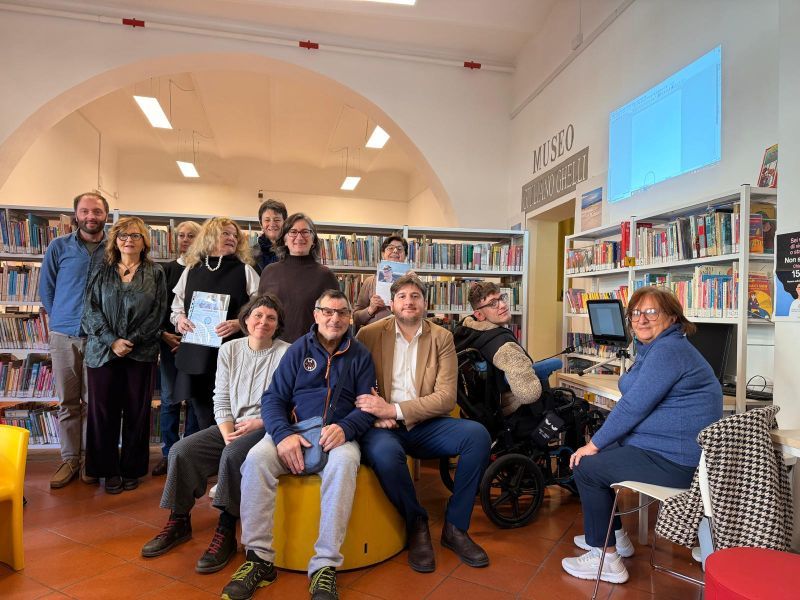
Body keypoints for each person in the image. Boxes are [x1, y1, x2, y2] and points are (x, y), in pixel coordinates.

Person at [221, 290, 376, 600]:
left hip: (338, 436)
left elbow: (367, 406)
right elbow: (273, 398)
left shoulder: (361, 355)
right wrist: (282, 435)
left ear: (349, 317)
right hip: (292, 431)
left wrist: (346, 428)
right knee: (255, 460)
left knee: (345, 463)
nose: (335, 318)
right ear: (316, 315)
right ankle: (259, 560)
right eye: (328, 312)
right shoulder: (296, 351)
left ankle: (324, 566)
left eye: (342, 313)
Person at [561, 286, 722, 584]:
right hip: (668, 451)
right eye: (636, 312)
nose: (641, 319)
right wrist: (599, 445)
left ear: (673, 318)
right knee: (599, 455)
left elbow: (633, 405)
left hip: (676, 462)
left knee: (586, 466)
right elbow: (636, 394)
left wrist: (594, 445)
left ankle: (606, 559)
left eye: (651, 312)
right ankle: (616, 537)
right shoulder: (659, 348)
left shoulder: (669, 351)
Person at [141, 294, 291, 574]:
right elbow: (220, 398)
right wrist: (226, 432)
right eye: (257, 315)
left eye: (271, 318)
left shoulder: (287, 353)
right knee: (181, 451)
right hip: (231, 425)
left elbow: (290, 403)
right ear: (245, 319)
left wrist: (260, 423)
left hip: (266, 427)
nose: (263, 322)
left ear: (278, 323)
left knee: (233, 454)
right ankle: (179, 520)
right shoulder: (229, 350)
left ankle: (225, 527)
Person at [355, 273, 491, 573]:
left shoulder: (441, 337)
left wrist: (394, 410)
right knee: (384, 455)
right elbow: (353, 385)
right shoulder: (369, 334)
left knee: (477, 436)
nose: (409, 301)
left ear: (425, 303)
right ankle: (416, 523)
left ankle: (455, 528)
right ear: (391, 303)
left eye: (415, 296)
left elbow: (445, 398)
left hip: (425, 424)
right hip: (382, 428)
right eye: (402, 296)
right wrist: (377, 414)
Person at [82, 217, 167, 494]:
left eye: (135, 236)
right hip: (102, 353)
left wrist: (131, 340)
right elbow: (90, 309)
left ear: (145, 241)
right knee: (102, 413)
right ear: (114, 241)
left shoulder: (155, 273)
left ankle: (132, 468)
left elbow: (158, 313)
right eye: (122, 236)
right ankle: (106, 470)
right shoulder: (101, 269)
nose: (128, 240)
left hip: (140, 353)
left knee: (136, 412)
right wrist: (111, 340)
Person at [39, 191, 109, 488]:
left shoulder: (115, 248)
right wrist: (62, 320)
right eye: (85, 211)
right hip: (64, 335)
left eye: (97, 211)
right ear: (76, 214)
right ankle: (70, 459)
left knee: (96, 403)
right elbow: (47, 289)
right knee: (69, 401)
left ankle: (92, 460)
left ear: (106, 214)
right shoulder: (59, 247)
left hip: (100, 338)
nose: (90, 216)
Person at [171, 217, 260, 430]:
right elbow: (176, 308)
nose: (232, 238)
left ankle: (227, 459)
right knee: (202, 415)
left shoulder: (245, 270)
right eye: (226, 234)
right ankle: (205, 459)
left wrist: (240, 324)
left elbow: (261, 308)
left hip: (231, 353)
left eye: (234, 235)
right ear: (210, 237)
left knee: (229, 414)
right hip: (197, 353)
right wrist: (180, 320)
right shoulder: (191, 268)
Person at [152, 220, 201, 477]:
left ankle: (189, 452)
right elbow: (159, 307)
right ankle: (169, 453)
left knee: (194, 399)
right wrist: (166, 336)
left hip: (196, 345)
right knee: (170, 400)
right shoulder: (165, 270)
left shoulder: (205, 269)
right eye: (180, 235)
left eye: (191, 235)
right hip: (169, 344)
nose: (185, 240)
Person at [456, 281, 541, 416]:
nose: (502, 305)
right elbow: (528, 394)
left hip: (476, 414)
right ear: (479, 315)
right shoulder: (504, 347)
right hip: (508, 418)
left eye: (501, 298)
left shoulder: (467, 330)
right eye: (492, 303)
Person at [257, 213, 339, 343]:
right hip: (272, 348)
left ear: (313, 239)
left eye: (305, 232)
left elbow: (335, 318)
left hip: (311, 349)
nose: (299, 237)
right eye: (293, 232)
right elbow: (259, 312)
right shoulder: (269, 272)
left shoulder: (326, 275)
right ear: (284, 239)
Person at [353, 235, 408, 331]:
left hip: (404, 335)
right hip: (375, 337)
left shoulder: (413, 283)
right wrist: (370, 309)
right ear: (383, 253)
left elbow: (423, 315)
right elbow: (356, 318)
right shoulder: (370, 281)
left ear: (405, 255)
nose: (395, 251)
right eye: (390, 248)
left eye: (400, 249)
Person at [251, 198, 287, 273]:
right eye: (267, 220)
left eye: (277, 220)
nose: (272, 224)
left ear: (285, 222)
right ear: (261, 224)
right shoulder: (250, 254)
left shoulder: (293, 251)